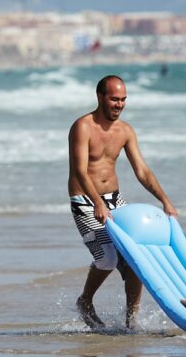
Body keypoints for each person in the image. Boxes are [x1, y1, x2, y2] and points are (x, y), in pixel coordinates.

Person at [69, 74, 178, 329]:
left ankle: (131, 322)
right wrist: (97, 202)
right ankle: (85, 301)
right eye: (114, 99)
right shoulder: (82, 127)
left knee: (134, 259)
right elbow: (79, 171)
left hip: (115, 199)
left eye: (123, 100)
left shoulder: (125, 131)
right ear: (100, 97)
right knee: (106, 258)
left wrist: (165, 201)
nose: (119, 104)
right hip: (85, 200)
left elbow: (142, 171)